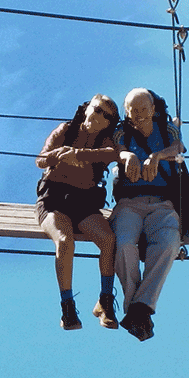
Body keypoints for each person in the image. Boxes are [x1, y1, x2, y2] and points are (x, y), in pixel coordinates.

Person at [35, 94, 122, 330]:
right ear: (86, 109)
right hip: (54, 200)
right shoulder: (66, 130)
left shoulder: (106, 141)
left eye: (106, 115)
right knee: (65, 241)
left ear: (109, 122)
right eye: (96, 109)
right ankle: (67, 307)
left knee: (108, 240)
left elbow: (111, 154)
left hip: (84, 203)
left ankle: (105, 300)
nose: (99, 116)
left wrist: (78, 155)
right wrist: (60, 154)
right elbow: (40, 160)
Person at [110, 88, 186, 342]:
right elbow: (117, 148)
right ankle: (140, 309)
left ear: (153, 109)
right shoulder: (122, 131)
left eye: (145, 109)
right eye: (134, 110)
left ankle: (137, 309)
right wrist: (128, 155)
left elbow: (179, 147)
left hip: (162, 203)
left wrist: (157, 156)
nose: (140, 115)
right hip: (129, 204)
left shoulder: (166, 130)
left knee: (168, 244)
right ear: (127, 112)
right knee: (123, 246)